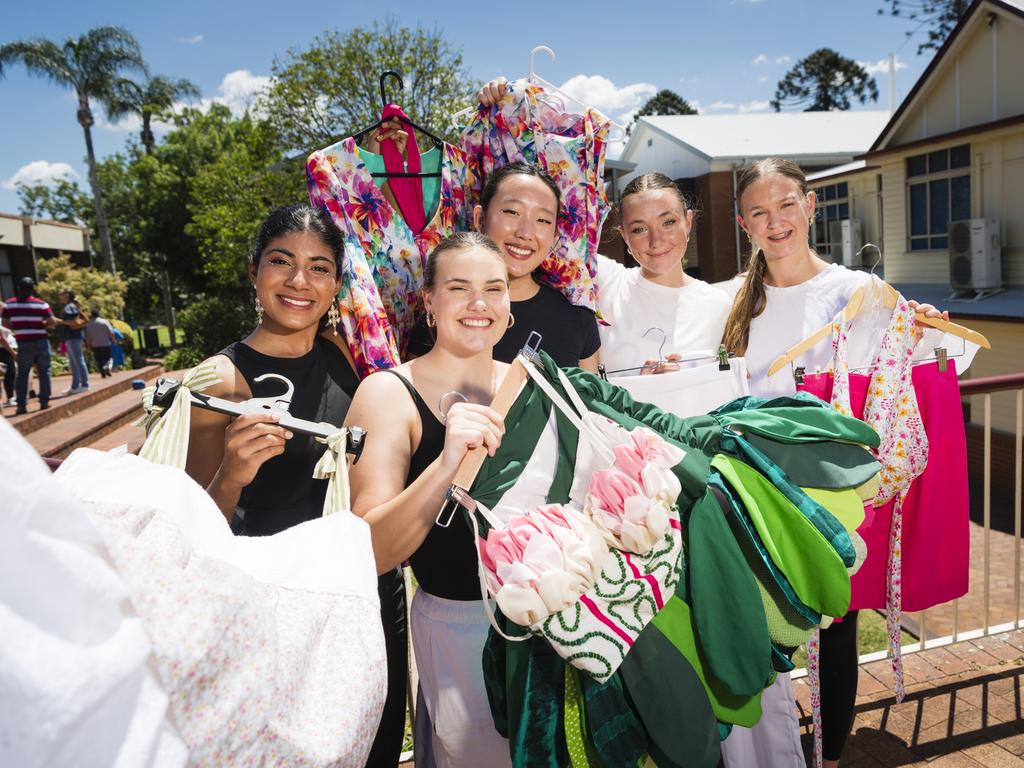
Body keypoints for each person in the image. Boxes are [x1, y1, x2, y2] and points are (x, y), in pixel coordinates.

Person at [719, 157, 945, 768]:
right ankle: (763, 746)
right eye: (760, 212)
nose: (776, 222)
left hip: (830, 485)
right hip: (755, 487)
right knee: (760, 620)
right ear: (743, 224)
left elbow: (931, 359)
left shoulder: (859, 291)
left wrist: (929, 336)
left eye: (786, 205)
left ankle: (832, 754)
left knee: (834, 619)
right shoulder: (734, 300)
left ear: (811, 205)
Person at [182, 204, 406, 768]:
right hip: (277, 605)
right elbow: (186, 528)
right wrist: (232, 474)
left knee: (374, 742)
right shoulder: (220, 377)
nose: (300, 281)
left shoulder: (343, 354)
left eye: (319, 268)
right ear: (254, 270)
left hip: (364, 590)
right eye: (281, 262)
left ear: (336, 282)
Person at [346, 232, 511, 768]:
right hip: (461, 630)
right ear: (430, 302)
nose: (479, 304)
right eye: (459, 288)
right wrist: (445, 465)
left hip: (554, 624)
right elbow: (366, 548)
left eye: (494, 288)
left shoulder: (531, 382)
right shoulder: (389, 393)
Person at [406, 161, 601, 370]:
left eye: (543, 220)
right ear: (480, 219)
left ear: (554, 237)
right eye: (512, 212)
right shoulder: (445, 313)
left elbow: (591, 401)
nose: (525, 233)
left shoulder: (577, 319)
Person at [597, 172, 732, 374]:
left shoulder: (719, 305)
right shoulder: (604, 282)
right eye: (639, 229)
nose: (656, 241)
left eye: (668, 222)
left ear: (688, 222)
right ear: (624, 235)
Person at [1, 277, 54, 415]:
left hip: (23, 342)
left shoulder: (9, 305)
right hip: (41, 340)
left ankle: (21, 405)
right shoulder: (42, 304)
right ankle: (44, 401)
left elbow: (5, 323)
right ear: (32, 289)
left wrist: (18, 327)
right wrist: (40, 324)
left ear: (19, 288)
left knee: (23, 373)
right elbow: (51, 321)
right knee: (44, 371)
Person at [56, 288, 89, 395]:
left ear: (67, 295)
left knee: (78, 361)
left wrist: (60, 321)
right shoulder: (71, 306)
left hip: (73, 337)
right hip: (72, 337)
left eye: (61, 293)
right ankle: (75, 386)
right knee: (74, 362)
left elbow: (74, 322)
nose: (59, 295)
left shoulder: (69, 307)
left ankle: (84, 384)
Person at [84, 308, 117, 378]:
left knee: (99, 360)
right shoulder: (105, 322)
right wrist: (114, 340)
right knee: (109, 358)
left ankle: (103, 373)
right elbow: (111, 332)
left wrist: (88, 345)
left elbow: (88, 336)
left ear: (91, 315)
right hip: (105, 344)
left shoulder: (88, 324)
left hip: (95, 345)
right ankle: (107, 367)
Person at [0, 302, 17, 408]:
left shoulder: (3, 320)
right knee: (10, 372)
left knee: (11, 372)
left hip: (7, 348)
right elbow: (2, 340)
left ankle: (11, 397)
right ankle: (10, 398)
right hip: (4, 350)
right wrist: (13, 352)